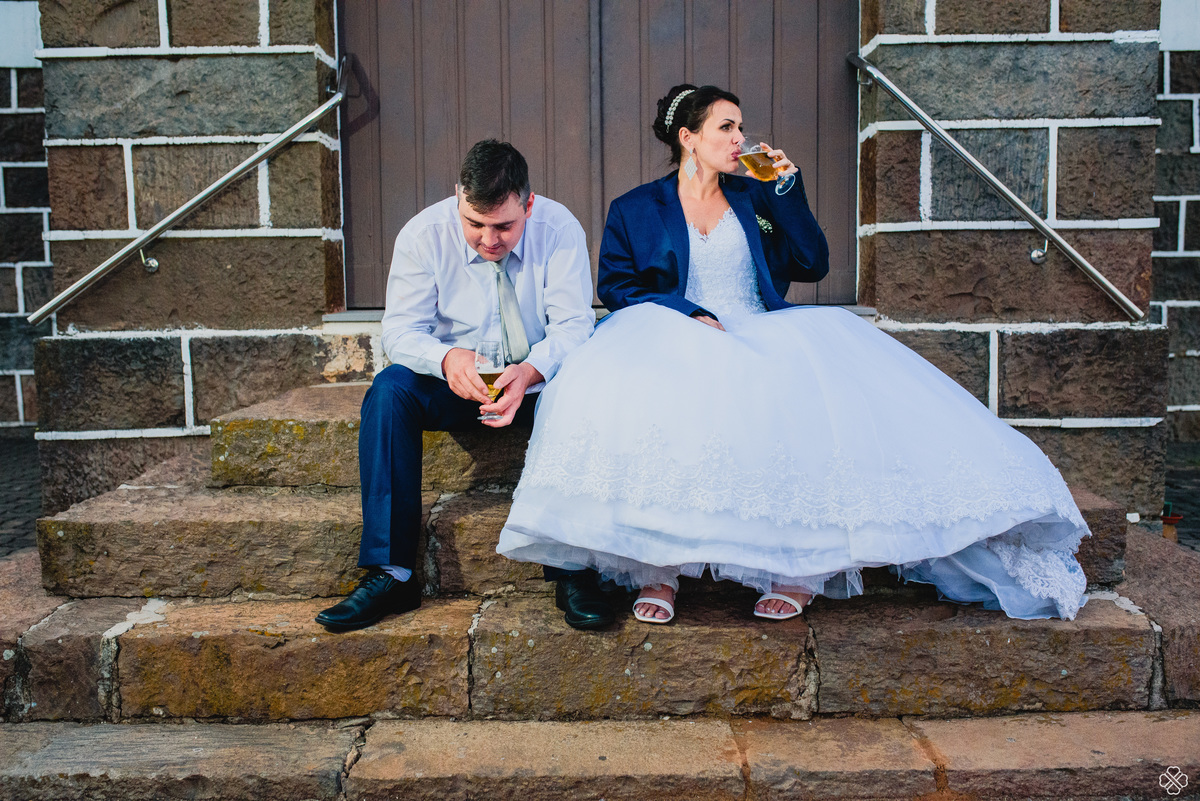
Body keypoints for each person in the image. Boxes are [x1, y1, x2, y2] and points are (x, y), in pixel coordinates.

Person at [497, 85, 1089, 624]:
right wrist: (684, 312)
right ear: (689, 138)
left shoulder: (757, 194)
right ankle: (658, 570)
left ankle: (797, 570)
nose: (740, 138)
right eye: (726, 127)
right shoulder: (635, 207)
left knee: (800, 400)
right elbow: (617, 285)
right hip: (670, 328)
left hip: (758, 326)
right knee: (648, 394)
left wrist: (787, 190)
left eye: (740, 127)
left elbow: (812, 263)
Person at [316, 139, 609, 632]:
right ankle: (391, 573)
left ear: (528, 205)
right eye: (475, 224)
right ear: (459, 198)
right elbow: (400, 332)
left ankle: (574, 568)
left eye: (504, 227)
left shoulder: (559, 229)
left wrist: (531, 371)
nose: (489, 240)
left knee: (587, 389)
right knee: (389, 390)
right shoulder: (423, 235)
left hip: (537, 386)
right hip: (456, 384)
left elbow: (574, 326)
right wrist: (447, 357)